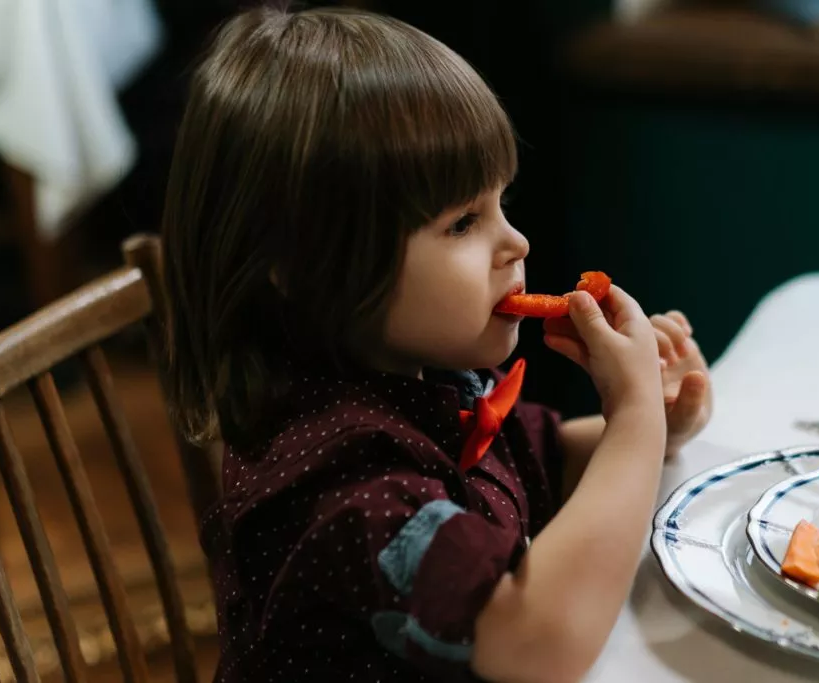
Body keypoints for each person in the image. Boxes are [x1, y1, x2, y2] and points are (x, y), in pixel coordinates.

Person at [161, 6, 712, 682]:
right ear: (306, 270)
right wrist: (635, 424)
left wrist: (657, 416)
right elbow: (537, 640)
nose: (517, 242)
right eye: (462, 223)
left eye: (501, 202)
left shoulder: (418, 378)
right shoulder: (345, 480)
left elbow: (540, 461)